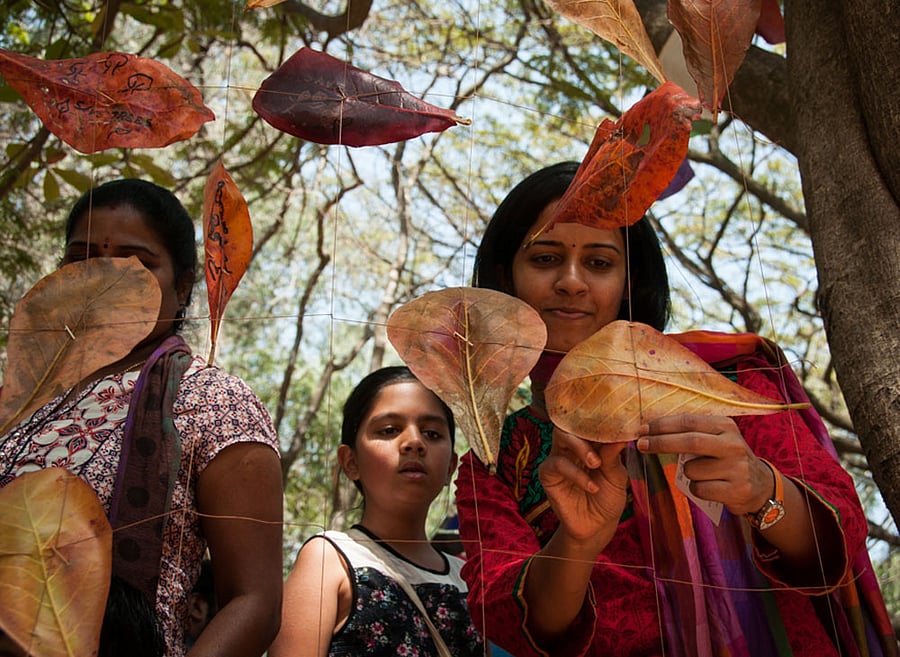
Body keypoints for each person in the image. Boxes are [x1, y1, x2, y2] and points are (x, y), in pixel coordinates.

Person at [455, 162, 897, 657]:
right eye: (544, 258)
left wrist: (761, 489)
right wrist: (577, 542)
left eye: (599, 263)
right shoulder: (494, 460)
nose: (572, 282)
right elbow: (506, 619)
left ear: (629, 280)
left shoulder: (728, 383)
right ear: (503, 276)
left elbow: (842, 531)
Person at [0, 179, 284, 657]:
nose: (106, 276)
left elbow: (254, 602)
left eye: (136, 261)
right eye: (83, 258)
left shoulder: (213, 401)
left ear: (184, 284)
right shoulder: (18, 405)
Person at [269, 366, 485, 657]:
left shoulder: (469, 580)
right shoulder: (331, 560)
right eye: (389, 430)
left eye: (432, 433)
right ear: (350, 462)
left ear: (450, 468)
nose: (415, 443)